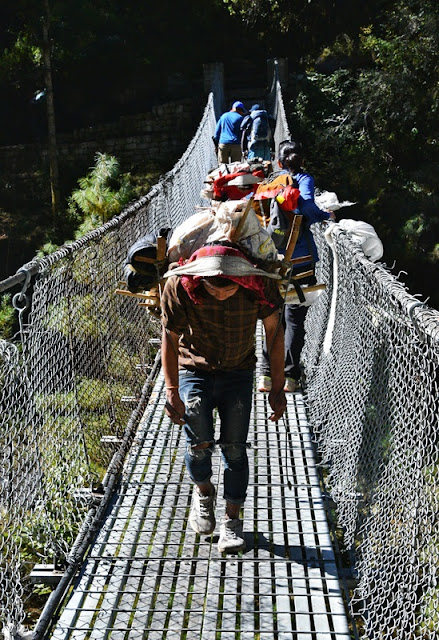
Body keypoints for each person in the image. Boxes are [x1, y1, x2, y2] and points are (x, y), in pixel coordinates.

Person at [161, 243, 287, 554]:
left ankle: (232, 523)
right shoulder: (179, 285)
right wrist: (171, 391)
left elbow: (274, 333)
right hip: (194, 369)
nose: (219, 293)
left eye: (226, 288)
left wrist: (277, 386)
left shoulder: (260, 286)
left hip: (238, 372)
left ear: (242, 280)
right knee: (198, 443)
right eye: (211, 287)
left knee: (235, 448)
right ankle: (204, 493)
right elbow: (170, 336)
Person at [258, 139, 335, 394]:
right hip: (300, 262)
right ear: (302, 161)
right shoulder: (304, 180)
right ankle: (290, 378)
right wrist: (327, 215)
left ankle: (267, 376)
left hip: (271, 261)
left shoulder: (272, 183)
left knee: (272, 319)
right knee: (294, 320)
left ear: (279, 163)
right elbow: (308, 207)